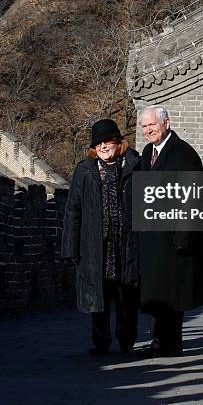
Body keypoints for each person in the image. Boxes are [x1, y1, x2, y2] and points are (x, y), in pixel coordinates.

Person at [62, 118, 140, 355]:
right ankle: (101, 340)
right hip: (96, 243)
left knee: (127, 293)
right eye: (98, 143)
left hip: (126, 242)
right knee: (99, 292)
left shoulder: (135, 165)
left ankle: (127, 340)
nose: (103, 146)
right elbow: (73, 210)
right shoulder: (84, 171)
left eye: (107, 141)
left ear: (118, 142)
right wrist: (70, 248)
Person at [138, 105, 203, 356]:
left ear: (167, 123)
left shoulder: (183, 155)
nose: (148, 130)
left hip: (174, 236)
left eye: (152, 125)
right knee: (156, 290)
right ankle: (158, 340)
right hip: (152, 235)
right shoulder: (148, 153)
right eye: (144, 126)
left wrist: (182, 236)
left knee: (173, 292)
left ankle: (170, 343)